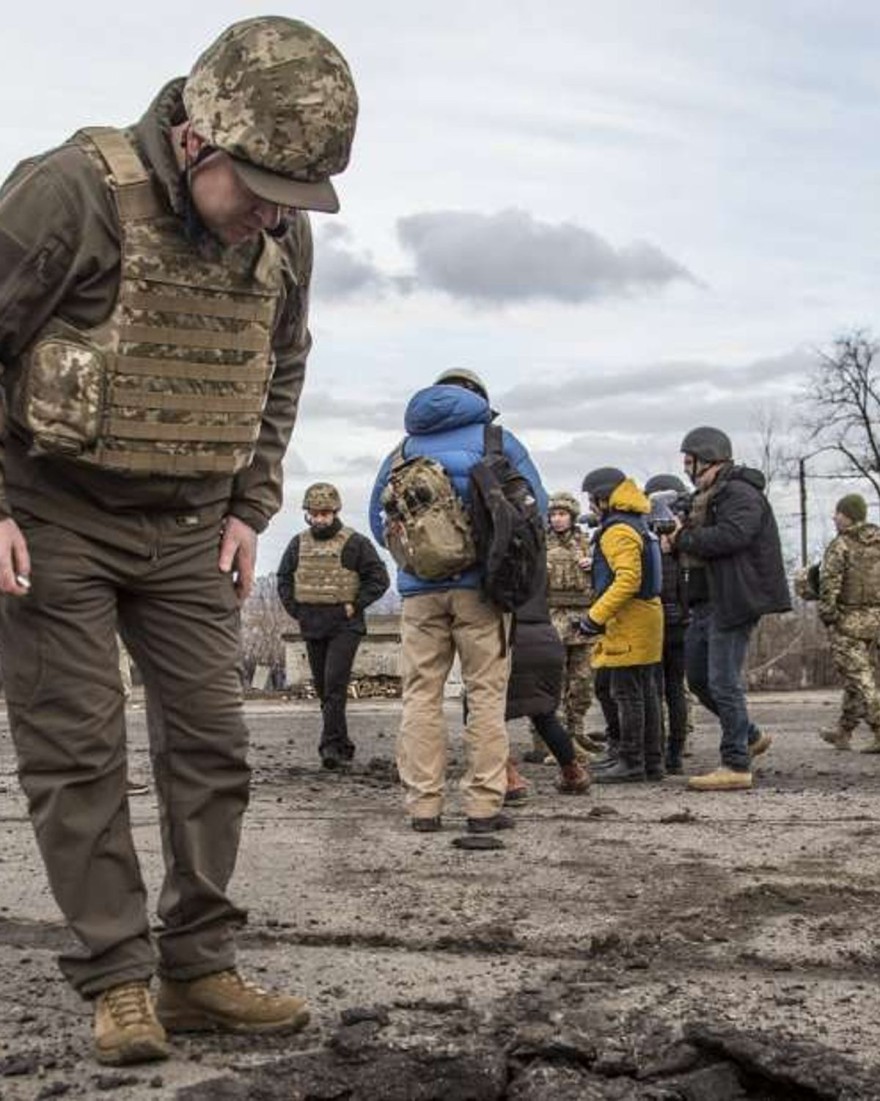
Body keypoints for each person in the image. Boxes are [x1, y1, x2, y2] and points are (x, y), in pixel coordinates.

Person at [0, 16, 357, 1066]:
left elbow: (281, 363)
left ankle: (197, 968)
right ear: (198, 141)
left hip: (191, 527)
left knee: (212, 747)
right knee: (79, 755)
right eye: (255, 193)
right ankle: (117, 980)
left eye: (291, 202)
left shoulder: (282, 230)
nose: (269, 221)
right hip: (53, 514)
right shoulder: (67, 194)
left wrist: (251, 503)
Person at [369, 368, 546, 835]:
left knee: (420, 697)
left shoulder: (403, 451)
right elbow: (535, 513)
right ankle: (483, 807)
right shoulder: (498, 442)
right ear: (479, 398)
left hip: (419, 594)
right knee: (486, 696)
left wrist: (417, 561)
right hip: (481, 593)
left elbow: (377, 520)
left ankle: (423, 807)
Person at [669, 427, 790, 791]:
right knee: (700, 680)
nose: (687, 468)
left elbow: (733, 536)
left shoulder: (740, 492)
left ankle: (735, 763)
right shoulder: (705, 496)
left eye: (690, 461)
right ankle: (749, 736)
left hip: (733, 599)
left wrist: (684, 537)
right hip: (705, 602)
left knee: (724, 682)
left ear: (709, 458)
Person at [277, 481, 389, 769]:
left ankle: (329, 748)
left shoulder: (355, 543)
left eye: (324, 513)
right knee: (325, 689)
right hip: (312, 623)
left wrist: (356, 604)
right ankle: (341, 744)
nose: (319, 519)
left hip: (344, 625)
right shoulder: (298, 543)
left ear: (335, 511)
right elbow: (284, 578)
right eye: (314, 513)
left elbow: (379, 578)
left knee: (335, 685)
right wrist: (296, 609)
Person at [577, 468, 664, 783]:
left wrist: (594, 617)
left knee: (626, 692)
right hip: (646, 615)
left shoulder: (617, 531)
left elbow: (628, 579)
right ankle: (651, 761)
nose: (591, 506)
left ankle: (631, 760)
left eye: (592, 500)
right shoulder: (638, 523)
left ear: (604, 498)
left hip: (630, 620)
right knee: (645, 691)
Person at [505, 548, 590, 796]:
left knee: (482, 713)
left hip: (513, 638)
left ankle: (507, 776)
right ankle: (573, 772)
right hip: (546, 637)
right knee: (544, 714)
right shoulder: (538, 560)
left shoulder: (498, 563)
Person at [525, 491, 598, 761]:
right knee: (552, 682)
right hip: (552, 619)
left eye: (562, 514)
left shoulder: (587, 544)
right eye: (553, 514)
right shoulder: (541, 544)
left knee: (581, 683)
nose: (557, 519)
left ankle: (576, 733)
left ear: (572, 516)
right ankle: (545, 741)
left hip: (582, 620)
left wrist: (594, 564)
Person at [816, 494, 880, 752]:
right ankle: (844, 731)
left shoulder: (841, 545)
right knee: (858, 677)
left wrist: (829, 616)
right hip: (876, 622)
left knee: (861, 678)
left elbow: (829, 584)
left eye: (838, 513)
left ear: (849, 516)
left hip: (849, 623)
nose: (834, 517)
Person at [645, 474, 691, 774]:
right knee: (674, 689)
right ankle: (674, 751)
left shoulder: (648, 542)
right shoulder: (687, 539)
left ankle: (661, 751)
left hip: (659, 621)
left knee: (657, 689)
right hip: (682, 621)